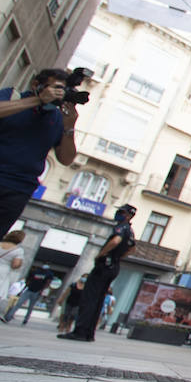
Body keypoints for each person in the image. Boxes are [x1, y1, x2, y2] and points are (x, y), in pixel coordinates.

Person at [0, 69, 79, 236]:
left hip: (18, 189)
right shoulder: (13, 96)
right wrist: (37, 100)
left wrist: (70, 126)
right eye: (56, 88)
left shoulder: (56, 118)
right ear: (36, 84)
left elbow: (66, 159)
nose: (58, 94)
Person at [60, 204, 137, 342]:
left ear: (128, 215)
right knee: (98, 300)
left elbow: (116, 240)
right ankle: (89, 333)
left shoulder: (121, 227)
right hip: (114, 265)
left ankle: (80, 331)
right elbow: (132, 249)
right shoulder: (130, 231)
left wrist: (101, 253)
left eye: (121, 212)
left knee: (89, 298)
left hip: (104, 265)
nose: (118, 213)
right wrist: (118, 257)